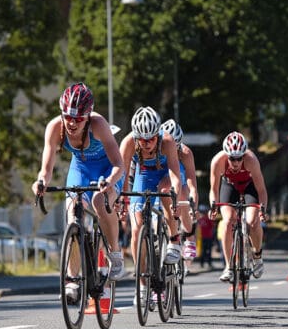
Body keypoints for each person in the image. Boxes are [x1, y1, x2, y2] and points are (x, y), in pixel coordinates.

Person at [32, 83, 126, 302]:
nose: (72, 123)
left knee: (100, 201)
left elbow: (119, 164)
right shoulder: (55, 127)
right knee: (72, 214)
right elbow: (45, 169)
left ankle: (115, 254)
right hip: (80, 169)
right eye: (68, 117)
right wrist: (40, 182)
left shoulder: (99, 124)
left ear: (88, 116)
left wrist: (110, 182)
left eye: (79, 119)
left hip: (107, 170)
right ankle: (72, 278)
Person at [119, 107, 183, 272]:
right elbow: (123, 175)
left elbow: (175, 174)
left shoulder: (167, 141)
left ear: (158, 135)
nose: (147, 144)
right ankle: (141, 281)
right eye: (142, 140)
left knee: (164, 191)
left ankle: (174, 239)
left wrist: (175, 195)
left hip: (165, 174)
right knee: (136, 228)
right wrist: (123, 200)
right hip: (144, 176)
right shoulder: (128, 143)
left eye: (152, 139)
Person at [208, 131, 268, 282]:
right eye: (232, 159)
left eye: (239, 159)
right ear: (226, 155)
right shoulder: (217, 161)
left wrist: (263, 209)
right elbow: (214, 190)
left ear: (244, 156)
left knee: (252, 221)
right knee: (228, 221)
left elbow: (261, 190)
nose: (235, 163)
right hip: (229, 185)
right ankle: (229, 266)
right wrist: (213, 206)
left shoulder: (251, 160)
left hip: (249, 187)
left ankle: (257, 255)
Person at [160, 119, 199, 267]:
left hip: (179, 174)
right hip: (162, 172)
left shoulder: (185, 153)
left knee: (182, 194)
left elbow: (192, 184)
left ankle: (189, 236)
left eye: (175, 146)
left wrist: (193, 207)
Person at [197, 204, 215, 269]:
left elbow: (212, 227)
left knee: (206, 251)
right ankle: (204, 263)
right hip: (204, 237)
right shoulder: (202, 219)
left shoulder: (201, 219)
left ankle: (206, 263)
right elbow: (212, 227)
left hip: (206, 237)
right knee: (205, 251)